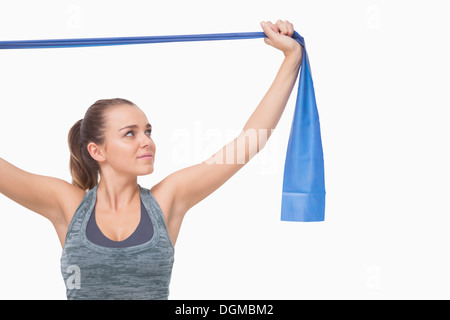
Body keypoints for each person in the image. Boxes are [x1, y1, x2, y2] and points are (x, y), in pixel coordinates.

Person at [0, 20, 303, 299]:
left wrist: (291, 59)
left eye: (148, 130)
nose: (147, 141)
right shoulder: (68, 205)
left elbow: (249, 142)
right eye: (130, 134)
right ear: (97, 151)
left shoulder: (168, 199)